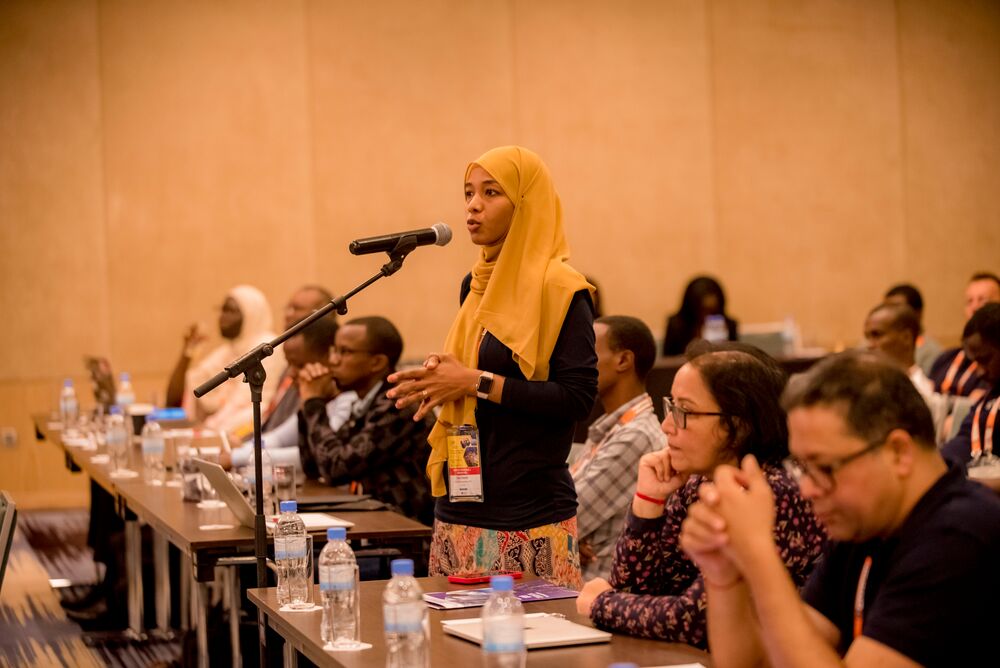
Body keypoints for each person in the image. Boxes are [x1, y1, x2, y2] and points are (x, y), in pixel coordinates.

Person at [680, 351, 1000, 667]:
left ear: (899, 452)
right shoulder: (864, 526)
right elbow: (755, 663)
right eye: (802, 467)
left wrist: (758, 553)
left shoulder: (960, 536)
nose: (806, 488)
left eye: (824, 467)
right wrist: (723, 572)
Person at [386, 146, 598, 589]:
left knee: (537, 654)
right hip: (461, 503)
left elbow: (576, 398)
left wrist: (473, 381)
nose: (473, 205)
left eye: (491, 192)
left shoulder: (562, 289)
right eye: (468, 193)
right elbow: (474, 369)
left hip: (531, 511)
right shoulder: (475, 282)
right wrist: (442, 376)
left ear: (525, 203)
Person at [576, 344, 826, 649]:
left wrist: (602, 604)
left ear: (738, 425)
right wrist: (647, 504)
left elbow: (698, 619)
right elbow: (637, 590)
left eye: (686, 412)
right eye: (671, 407)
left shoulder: (776, 492)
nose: (667, 426)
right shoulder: (695, 484)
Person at [297, 316, 434, 524]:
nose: (333, 361)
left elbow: (336, 468)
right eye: (335, 350)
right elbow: (315, 466)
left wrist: (314, 404)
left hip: (405, 533)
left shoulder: (398, 405)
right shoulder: (367, 401)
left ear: (377, 362)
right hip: (373, 522)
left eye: (345, 352)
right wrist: (309, 404)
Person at [571, 316, 665, 581]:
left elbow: (562, 523)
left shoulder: (636, 437)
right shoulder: (611, 428)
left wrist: (564, 541)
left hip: (599, 596)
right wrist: (567, 543)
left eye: (587, 352)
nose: (577, 363)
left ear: (623, 360)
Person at [228, 312, 348, 472]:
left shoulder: (348, 399)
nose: (291, 373)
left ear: (329, 357)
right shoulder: (320, 395)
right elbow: (279, 438)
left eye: (299, 365)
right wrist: (240, 451)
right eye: (289, 364)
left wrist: (235, 458)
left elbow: (313, 456)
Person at [165, 285, 285, 432]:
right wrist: (187, 352)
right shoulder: (228, 350)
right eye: (222, 309)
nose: (222, 317)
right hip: (218, 432)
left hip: (252, 435)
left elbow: (243, 403)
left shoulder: (267, 346)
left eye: (231, 311)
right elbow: (179, 395)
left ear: (251, 314)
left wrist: (207, 432)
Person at [862, 303, 948, 438]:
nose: (870, 345)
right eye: (868, 337)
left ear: (906, 338)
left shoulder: (918, 394)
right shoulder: (874, 383)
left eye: (877, 335)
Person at [941, 303, 1000, 490]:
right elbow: (964, 440)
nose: (979, 372)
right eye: (974, 362)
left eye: (985, 359)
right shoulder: (989, 400)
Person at [928, 271, 1000, 398]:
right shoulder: (945, 359)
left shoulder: (995, 362)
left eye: (983, 300)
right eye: (969, 301)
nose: (975, 307)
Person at [662, 276, 738, 356]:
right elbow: (668, 360)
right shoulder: (676, 326)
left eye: (712, 312)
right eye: (703, 310)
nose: (707, 316)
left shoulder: (728, 325)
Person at [883, 283, 941, 375]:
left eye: (896, 309)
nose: (887, 315)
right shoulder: (873, 343)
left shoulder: (931, 351)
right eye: (885, 309)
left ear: (918, 313)